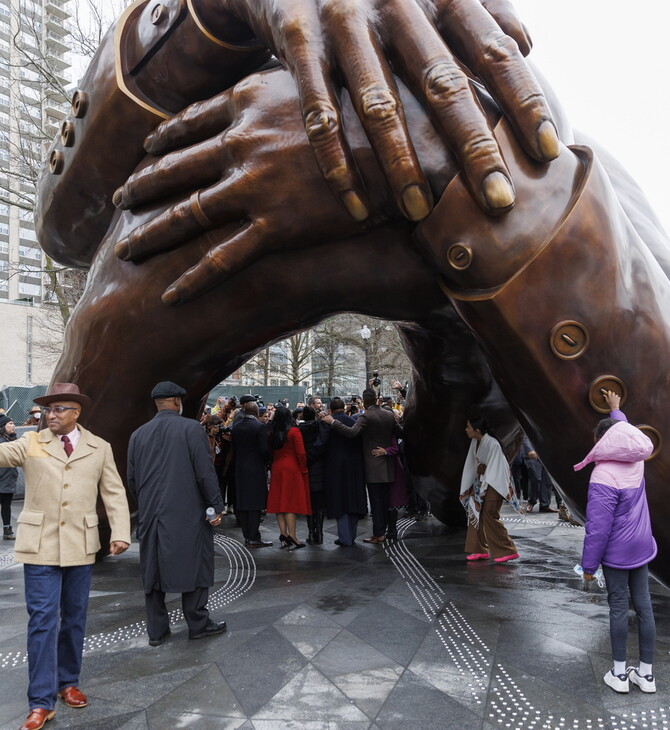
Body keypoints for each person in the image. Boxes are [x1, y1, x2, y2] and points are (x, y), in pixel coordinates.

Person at [0, 383, 130, 730]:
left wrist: (120, 532)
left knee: (74, 618)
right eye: (48, 409)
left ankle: (67, 683)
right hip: (39, 544)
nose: (50, 415)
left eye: (59, 409)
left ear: (76, 413)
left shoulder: (98, 447)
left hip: (80, 544)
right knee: (42, 619)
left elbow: (114, 492)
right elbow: (3, 454)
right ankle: (40, 702)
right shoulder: (31, 442)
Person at [127, 381, 226, 647]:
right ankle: (198, 623)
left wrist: (147, 503)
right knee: (196, 564)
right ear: (175, 402)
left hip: (151, 514)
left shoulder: (138, 434)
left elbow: (132, 479)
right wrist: (215, 505)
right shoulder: (191, 428)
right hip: (187, 513)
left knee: (153, 570)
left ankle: (157, 631)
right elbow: (204, 471)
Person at [575, 390, 657, 694]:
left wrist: (588, 565)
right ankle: (646, 676)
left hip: (617, 554)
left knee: (619, 608)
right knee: (645, 607)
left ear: (601, 443)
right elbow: (626, 434)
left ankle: (620, 674)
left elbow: (598, 528)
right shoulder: (637, 462)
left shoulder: (602, 475)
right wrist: (617, 411)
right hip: (642, 546)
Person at [323, 388, 402, 543]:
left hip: (373, 465)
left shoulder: (366, 416)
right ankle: (384, 531)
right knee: (386, 501)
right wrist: (386, 449)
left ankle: (378, 534)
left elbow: (352, 432)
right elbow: (400, 432)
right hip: (387, 464)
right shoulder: (389, 415)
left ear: (365, 401)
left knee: (376, 502)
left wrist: (333, 422)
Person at [460, 413, 519, 563]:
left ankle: (507, 549)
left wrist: (482, 471)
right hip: (481, 482)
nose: (466, 429)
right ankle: (479, 549)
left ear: (477, 430)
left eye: (468, 427)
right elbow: (474, 465)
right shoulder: (476, 442)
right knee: (474, 512)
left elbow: (495, 469)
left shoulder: (492, 444)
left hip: (495, 483)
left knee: (489, 515)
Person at [321, 398, 367, 546]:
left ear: (330, 410)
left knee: (339, 501)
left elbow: (322, 444)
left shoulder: (327, 423)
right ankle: (351, 535)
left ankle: (345, 537)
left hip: (335, 466)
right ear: (344, 408)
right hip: (355, 466)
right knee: (354, 499)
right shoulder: (354, 422)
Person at [266, 406, 311, 548]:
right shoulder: (294, 431)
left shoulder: (272, 433)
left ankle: (283, 534)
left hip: (277, 467)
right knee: (290, 503)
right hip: (292, 469)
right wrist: (303, 468)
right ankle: (293, 536)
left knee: (279, 503)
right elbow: (301, 453)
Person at [231, 399, 271, 547]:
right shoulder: (259, 427)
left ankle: (247, 535)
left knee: (243, 502)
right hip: (255, 468)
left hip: (240, 466)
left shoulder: (237, 427)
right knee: (255, 503)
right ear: (256, 412)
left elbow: (234, 449)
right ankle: (254, 537)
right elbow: (264, 449)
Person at [298, 406, 328, 544]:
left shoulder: (300, 430)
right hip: (320, 468)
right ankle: (320, 533)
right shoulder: (320, 427)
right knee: (319, 504)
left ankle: (310, 533)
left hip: (306, 468)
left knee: (309, 504)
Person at [0, 415, 17, 539]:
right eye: (10, 423)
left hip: (9, 478)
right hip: (2, 478)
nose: (13, 426)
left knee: (6, 505)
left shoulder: (12, 440)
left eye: (13, 423)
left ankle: (7, 530)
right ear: (3, 427)